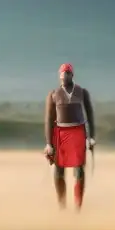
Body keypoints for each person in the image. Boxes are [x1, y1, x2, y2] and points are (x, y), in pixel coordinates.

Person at [44, 64, 96, 211]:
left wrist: (91, 137)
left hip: (78, 133)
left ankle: (78, 206)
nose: (64, 77)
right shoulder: (53, 94)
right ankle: (62, 205)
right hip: (60, 134)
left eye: (67, 74)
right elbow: (49, 120)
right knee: (59, 170)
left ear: (72, 75)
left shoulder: (82, 92)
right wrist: (49, 143)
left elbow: (89, 116)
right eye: (62, 74)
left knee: (79, 170)